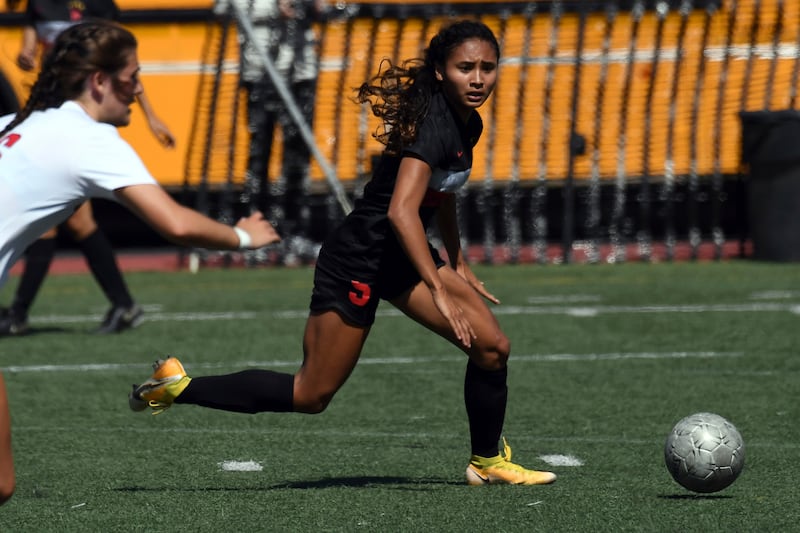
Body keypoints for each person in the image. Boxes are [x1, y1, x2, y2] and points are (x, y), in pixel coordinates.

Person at [130, 20, 557, 486]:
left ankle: (486, 463)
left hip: (401, 256)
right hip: (359, 258)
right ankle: (176, 386)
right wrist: (437, 286)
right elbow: (401, 212)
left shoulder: (467, 121)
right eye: (465, 68)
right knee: (311, 394)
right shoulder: (433, 126)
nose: (477, 79)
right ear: (440, 71)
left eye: (487, 68)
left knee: (492, 348)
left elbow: (443, 192)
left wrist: (457, 261)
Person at [0, 20, 281, 504]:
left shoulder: (16, 124)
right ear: (99, 81)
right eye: (132, 77)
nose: (138, 89)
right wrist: (242, 236)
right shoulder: (89, 139)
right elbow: (175, 223)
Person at [0, 0, 177, 336]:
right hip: (48, 115)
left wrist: (152, 116)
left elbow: (124, 70)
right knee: (76, 223)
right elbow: (29, 48)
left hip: (74, 122)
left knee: (66, 223)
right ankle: (122, 304)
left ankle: (20, 313)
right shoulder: (41, 5)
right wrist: (26, 56)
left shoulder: (100, 7)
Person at [214, 0, 323, 266]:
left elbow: (321, 9)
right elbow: (223, 9)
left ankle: (295, 234)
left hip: (300, 75)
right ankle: (256, 233)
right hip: (260, 73)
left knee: (297, 159)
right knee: (259, 157)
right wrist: (274, 12)